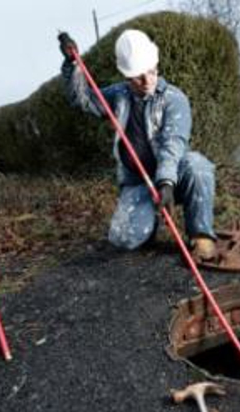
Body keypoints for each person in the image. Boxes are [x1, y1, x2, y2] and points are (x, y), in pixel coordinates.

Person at [58, 29, 216, 260]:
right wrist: (72, 65)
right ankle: (147, 225)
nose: (147, 81)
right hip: (137, 181)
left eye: (151, 72)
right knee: (124, 239)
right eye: (138, 76)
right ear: (125, 75)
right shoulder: (118, 96)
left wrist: (166, 182)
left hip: (174, 175)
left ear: (156, 65)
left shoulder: (174, 99)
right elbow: (83, 100)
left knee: (198, 167)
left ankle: (201, 235)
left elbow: (173, 144)